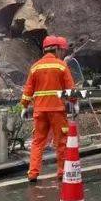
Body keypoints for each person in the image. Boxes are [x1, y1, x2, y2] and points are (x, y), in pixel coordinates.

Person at [18, 35, 75, 182]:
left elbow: (27, 90)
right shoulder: (61, 66)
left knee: (37, 142)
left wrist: (24, 106)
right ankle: (62, 172)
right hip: (57, 110)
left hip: (40, 111)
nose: (63, 53)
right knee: (61, 142)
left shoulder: (35, 66)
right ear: (56, 49)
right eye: (62, 50)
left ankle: (33, 173)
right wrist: (74, 102)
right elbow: (70, 90)